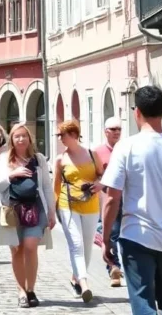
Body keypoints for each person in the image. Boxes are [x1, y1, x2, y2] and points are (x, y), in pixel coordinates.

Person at [100, 86, 162, 315]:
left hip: (137, 235)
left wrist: (106, 239)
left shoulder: (126, 147)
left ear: (137, 112)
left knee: (142, 298)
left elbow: (111, 199)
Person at [0, 123, 56, 308]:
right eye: (17, 136)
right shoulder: (5, 158)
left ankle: (31, 289)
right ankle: (21, 290)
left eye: (24, 136)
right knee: (16, 249)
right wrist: (12, 175)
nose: (21, 139)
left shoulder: (39, 159)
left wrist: (52, 211)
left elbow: (46, 187)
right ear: (12, 139)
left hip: (35, 208)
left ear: (30, 139)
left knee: (30, 246)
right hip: (12, 210)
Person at [53, 118, 103, 303]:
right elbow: (55, 186)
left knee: (87, 244)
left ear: (73, 135)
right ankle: (84, 284)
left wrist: (98, 184)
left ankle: (75, 278)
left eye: (62, 135)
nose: (60, 139)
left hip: (90, 204)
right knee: (76, 244)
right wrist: (53, 210)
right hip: (68, 205)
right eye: (59, 136)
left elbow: (101, 174)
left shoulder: (92, 154)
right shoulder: (61, 159)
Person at [92, 117, 124, 287]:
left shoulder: (126, 150)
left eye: (119, 129)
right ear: (106, 131)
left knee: (122, 234)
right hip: (107, 199)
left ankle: (118, 266)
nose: (117, 132)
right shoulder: (97, 152)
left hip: (126, 197)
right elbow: (95, 176)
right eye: (113, 129)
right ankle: (114, 267)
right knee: (111, 233)